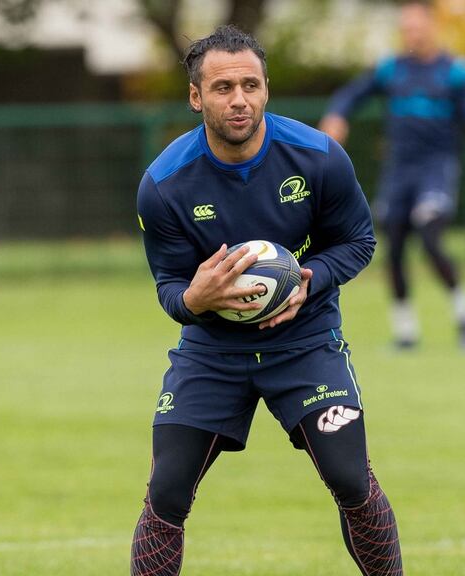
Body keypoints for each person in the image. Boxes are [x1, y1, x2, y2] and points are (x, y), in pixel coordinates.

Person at [133, 25, 402, 576]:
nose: (239, 100)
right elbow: (168, 286)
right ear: (196, 96)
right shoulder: (164, 184)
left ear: (266, 90)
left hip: (306, 345)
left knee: (352, 479)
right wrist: (193, 297)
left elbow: (359, 241)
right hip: (212, 352)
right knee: (166, 492)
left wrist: (310, 279)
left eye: (250, 85)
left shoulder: (319, 157)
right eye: (223, 87)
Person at [319, 0, 465, 350]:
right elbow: (352, 94)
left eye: (418, 27)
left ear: (433, 26)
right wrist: (337, 115)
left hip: (436, 167)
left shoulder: (456, 72)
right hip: (399, 171)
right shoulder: (391, 70)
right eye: (406, 29)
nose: (412, 34)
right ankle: (406, 332)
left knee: (430, 234)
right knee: (394, 247)